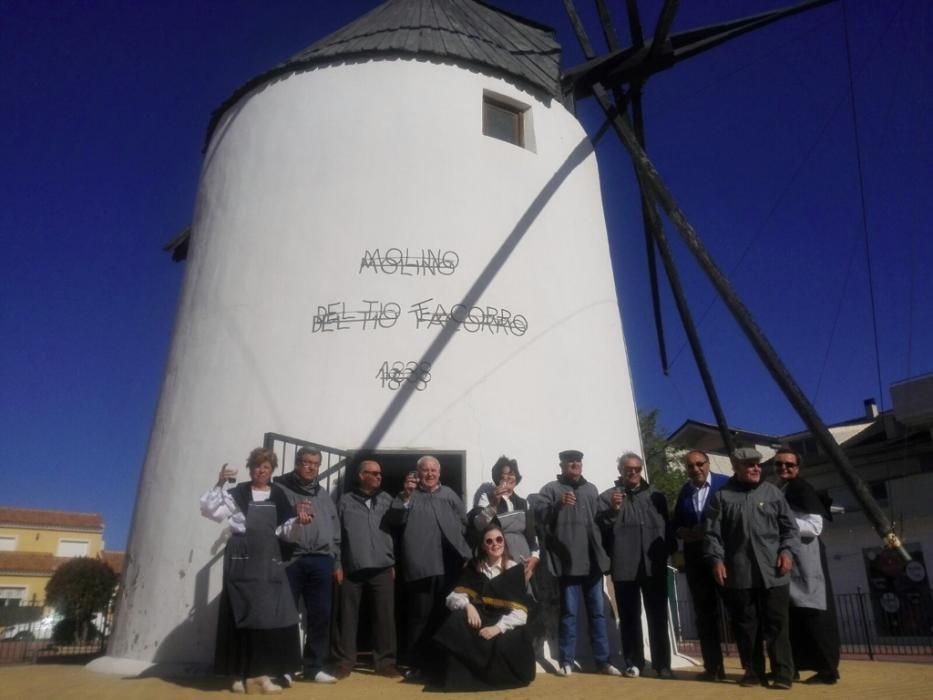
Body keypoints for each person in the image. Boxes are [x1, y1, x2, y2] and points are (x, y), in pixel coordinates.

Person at [199, 447, 301, 694]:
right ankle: (237, 674)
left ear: (271, 470)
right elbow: (210, 511)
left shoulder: (278, 494)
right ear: (250, 468)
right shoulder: (237, 493)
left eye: (266, 467)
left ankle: (262, 674)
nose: (261, 471)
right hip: (241, 556)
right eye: (257, 466)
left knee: (267, 615)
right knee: (238, 611)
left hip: (268, 558)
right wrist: (221, 481)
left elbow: (287, 530)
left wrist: (299, 522)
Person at [704, 447, 799, 689]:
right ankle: (753, 672)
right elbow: (712, 534)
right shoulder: (722, 497)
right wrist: (716, 560)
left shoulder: (773, 493)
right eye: (749, 465)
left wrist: (787, 552)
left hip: (774, 572)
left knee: (777, 624)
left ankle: (783, 674)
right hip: (739, 572)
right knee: (746, 626)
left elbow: (790, 529)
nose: (756, 468)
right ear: (735, 468)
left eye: (757, 463)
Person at [535, 449, 619, 677]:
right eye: (570, 461)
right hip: (568, 562)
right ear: (561, 465)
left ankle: (602, 661)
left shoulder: (591, 489)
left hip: (592, 561)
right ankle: (567, 660)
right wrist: (557, 505)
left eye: (578, 461)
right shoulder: (551, 489)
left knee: (598, 613)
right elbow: (539, 515)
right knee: (569, 613)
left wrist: (612, 507)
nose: (575, 464)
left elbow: (602, 519)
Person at [388, 455, 472, 682]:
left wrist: (462, 551)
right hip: (422, 565)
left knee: (446, 614)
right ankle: (416, 664)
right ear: (418, 473)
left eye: (433, 470)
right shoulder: (406, 496)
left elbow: (463, 523)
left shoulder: (449, 495)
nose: (430, 473)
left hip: (450, 566)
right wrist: (406, 496)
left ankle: (444, 663)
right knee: (419, 617)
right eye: (425, 470)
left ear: (439, 473)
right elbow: (394, 522)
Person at [598, 452, 674, 678]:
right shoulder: (607, 497)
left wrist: (667, 554)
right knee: (630, 618)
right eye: (628, 469)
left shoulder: (656, 496)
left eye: (637, 469)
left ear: (641, 470)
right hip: (624, 566)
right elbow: (601, 531)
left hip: (654, 566)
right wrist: (613, 511)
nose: (633, 473)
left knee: (658, 617)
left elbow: (667, 527)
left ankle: (663, 665)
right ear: (620, 471)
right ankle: (634, 663)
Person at [432, 524, 536, 690]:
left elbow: (521, 613)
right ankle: (462, 677)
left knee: (511, 639)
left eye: (499, 539)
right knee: (456, 619)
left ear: (504, 542)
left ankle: (497, 678)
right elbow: (451, 598)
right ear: (483, 545)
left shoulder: (513, 569)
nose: (495, 544)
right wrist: (468, 606)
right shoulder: (474, 567)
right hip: (480, 617)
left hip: (503, 621)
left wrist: (498, 628)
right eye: (489, 541)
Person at [273, 447, 341, 684]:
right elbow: (274, 524)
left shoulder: (323, 495)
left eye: (315, 463)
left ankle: (313, 667)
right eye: (306, 462)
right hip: (291, 559)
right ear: (297, 463)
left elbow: (335, 530)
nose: (311, 467)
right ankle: (284, 667)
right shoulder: (280, 490)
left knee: (320, 615)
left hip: (322, 560)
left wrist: (335, 559)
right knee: (285, 615)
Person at [773, 447, 840, 685]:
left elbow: (814, 526)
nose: (784, 468)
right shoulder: (780, 489)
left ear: (797, 468)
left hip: (807, 557)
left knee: (814, 611)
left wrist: (779, 523)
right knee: (793, 614)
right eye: (779, 464)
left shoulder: (802, 488)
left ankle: (828, 669)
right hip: (789, 557)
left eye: (789, 465)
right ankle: (793, 665)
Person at [332, 459, 400, 679]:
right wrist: (338, 564)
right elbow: (336, 535)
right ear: (361, 475)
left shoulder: (387, 499)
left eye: (380, 473)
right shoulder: (344, 501)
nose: (379, 476)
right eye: (374, 473)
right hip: (353, 567)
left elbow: (398, 533)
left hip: (382, 566)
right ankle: (345, 662)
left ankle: (385, 662)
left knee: (385, 617)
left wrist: (393, 563)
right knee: (348, 617)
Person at [672, 449, 729, 681]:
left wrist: (707, 531)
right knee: (704, 615)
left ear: (708, 464)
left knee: (739, 611)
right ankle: (713, 667)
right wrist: (683, 531)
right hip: (696, 559)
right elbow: (675, 521)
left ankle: (752, 668)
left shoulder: (725, 484)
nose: (696, 469)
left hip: (725, 558)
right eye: (690, 466)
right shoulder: (685, 491)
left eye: (700, 464)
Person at [469, 456, 540, 584]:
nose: (508, 478)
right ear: (497, 478)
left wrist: (534, 556)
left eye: (512, 475)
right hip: (497, 556)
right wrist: (494, 505)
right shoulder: (487, 498)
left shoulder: (524, 503)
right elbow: (479, 525)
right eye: (503, 476)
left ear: (516, 478)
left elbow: (531, 533)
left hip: (521, 555)